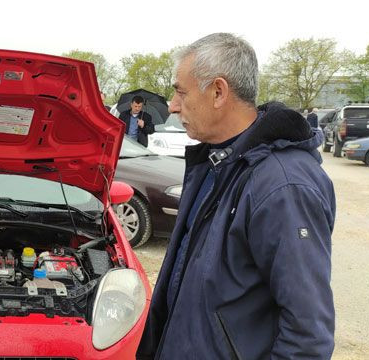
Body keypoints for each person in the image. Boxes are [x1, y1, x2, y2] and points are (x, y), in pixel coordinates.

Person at [136, 33, 336, 359]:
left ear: (218, 92)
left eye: (181, 93)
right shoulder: (217, 162)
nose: (172, 106)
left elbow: (308, 334)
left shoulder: (283, 186)